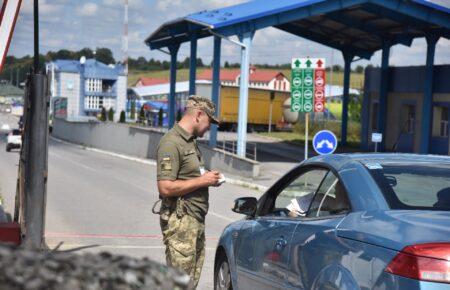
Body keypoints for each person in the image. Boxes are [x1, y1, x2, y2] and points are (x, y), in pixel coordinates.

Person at [155, 95, 222, 287]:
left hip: (194, 220)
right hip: (181, 221)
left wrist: (208, 179)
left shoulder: (189, 142)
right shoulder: (171, 143)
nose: (210, 127)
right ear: (199, 115)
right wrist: (202, 180)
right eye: (209, 121)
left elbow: (189, 176)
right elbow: (165, 187)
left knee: (189, 283)